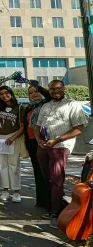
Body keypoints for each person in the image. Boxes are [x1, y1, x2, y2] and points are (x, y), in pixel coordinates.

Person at [34, 80, 89, 228]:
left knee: (56, 178)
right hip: (44, 145)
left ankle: (55, 213)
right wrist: (38, 139)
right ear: (49, 90)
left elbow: (78, 129)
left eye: (58, 88)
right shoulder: (45, 106)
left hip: (60, 146)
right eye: (52, 89)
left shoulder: (73, 105)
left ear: (63, 88)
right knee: (47, 178)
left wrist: (57, 139)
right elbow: (37, 126)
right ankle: (53, 206)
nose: (55, 91)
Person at [0, 83, 24, 203]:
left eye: (6, 93)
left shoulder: (20, 108)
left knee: (14, 165)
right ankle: (5, 190)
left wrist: (13, 137)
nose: (4, 95)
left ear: (11, 93)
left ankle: (16, 192)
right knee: (2, 166)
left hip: (13, 138)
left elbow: (22, 126)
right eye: (1, 94)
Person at [22, 83, 51, 209]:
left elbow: (49, 96)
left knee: (47, 172)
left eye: (36, 91)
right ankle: (41, 200)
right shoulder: (29, 108)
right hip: (32, 143)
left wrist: (37, 86)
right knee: (38, 172)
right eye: (31, 92)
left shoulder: (47, 105)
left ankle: (51, 201)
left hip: (44, 142)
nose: (34, 94)